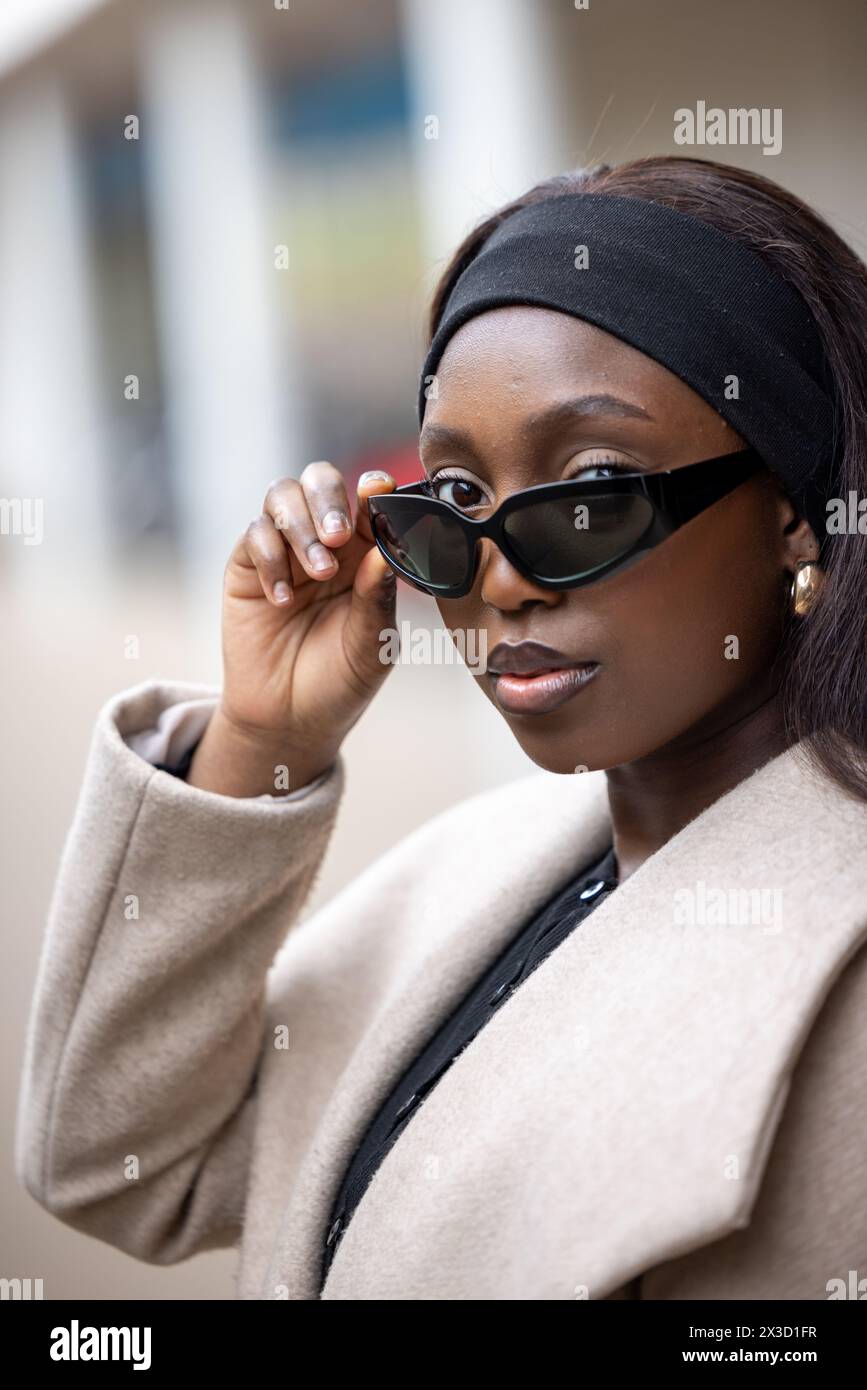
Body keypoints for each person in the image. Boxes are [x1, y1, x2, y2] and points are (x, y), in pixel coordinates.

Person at [16, 156, 867, 1300]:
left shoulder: (838, 978)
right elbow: (119, 1166)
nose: (502, 583)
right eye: (453, 503)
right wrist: (266, 743)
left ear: (793, 518)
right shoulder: (471, 875)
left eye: (590, 490)